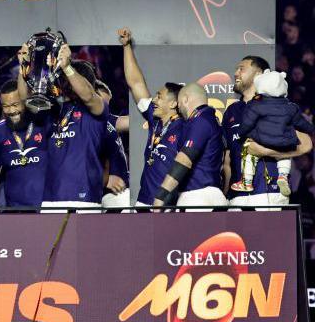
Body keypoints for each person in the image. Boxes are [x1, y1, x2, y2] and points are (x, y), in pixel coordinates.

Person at [118, 28, 185, 208]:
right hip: (143, 200)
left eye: (159, 97)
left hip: (170, 204)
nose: (154, 100)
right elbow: (135, 82)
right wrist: (126, 46)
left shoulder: (185, 128)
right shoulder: (154, 119)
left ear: (173, 104)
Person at [38, 44, 109, 210]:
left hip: (83, 197)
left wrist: (67, 66)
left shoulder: (97, 107)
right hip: (50, 197)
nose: (64, 82)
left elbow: (88, 95)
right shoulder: (55, 109)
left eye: (65, 78)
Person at [230, 69, 315, 195]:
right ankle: (283, 176)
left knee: (249, 154)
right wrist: (311, 129)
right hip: (284, 141)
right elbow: (301, 123)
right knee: (286, 154)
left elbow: (247, 124)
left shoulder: (255, 105)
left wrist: (242, 133)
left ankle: (246, 182)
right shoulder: (291, 107)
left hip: (261, 139)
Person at [152, 83, 226, 209]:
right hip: (211, 195)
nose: (179, 108)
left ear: (185, 99)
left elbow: (184, 160)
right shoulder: (212, 119)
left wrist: (160, 196)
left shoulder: (200, 120)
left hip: (198, 197)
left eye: (179, 103)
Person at [0, 79, 49, 207]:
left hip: (48, 207)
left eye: (15, 104)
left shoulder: (44, 124)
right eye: (6, 106)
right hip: (14, 210)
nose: (11, 110)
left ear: (25, 101)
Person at [95, 80, 130, 208]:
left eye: (108, 104)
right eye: (103, 102)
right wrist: (105, 180)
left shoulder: (109, 119)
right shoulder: (87, 123)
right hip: (107, 193)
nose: (105, 108)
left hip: (120, 191)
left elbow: (132, 122)